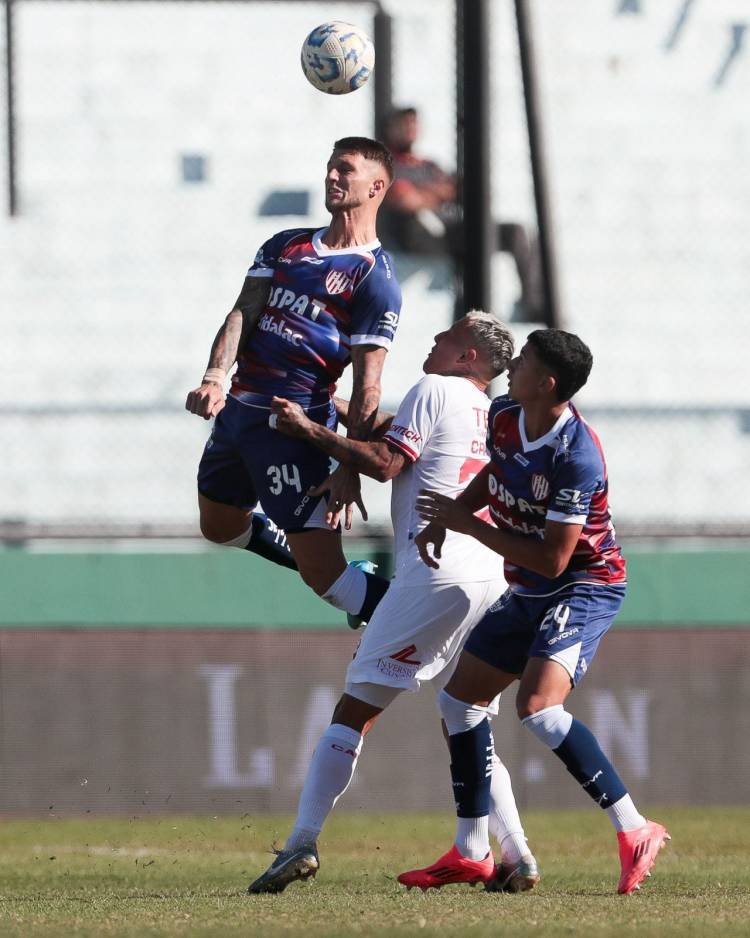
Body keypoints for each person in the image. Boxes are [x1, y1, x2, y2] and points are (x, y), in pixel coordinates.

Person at [247, 312, 540, 895]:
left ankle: (302, 843)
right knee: (468, 719)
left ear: (470, 358)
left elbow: (386, 463)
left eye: (449, 336)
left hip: (438, 573)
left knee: (354, 710)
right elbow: (391, 440)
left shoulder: (436, 388)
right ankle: (518, 856)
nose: (434, 340)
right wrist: (343, 431)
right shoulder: (499, 414)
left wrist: (311, 430)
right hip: (492, 576)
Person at [398, 329, 670, 895]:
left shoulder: (577, 455)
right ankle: (472, 851)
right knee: (459, 701)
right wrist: (451, 515)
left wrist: (468, 524)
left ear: (545, 383)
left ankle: (635, 828)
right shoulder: (504, 415)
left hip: (583, 584)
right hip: (530, 589)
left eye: (520, 361)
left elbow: (553, 559)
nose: (511, 366)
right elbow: (498, 475)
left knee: (539, 707)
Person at [185, 137, 401, 624]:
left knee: (328, 582)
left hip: (294, 429)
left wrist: (348, 466)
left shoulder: (375, 278)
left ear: (376, 187)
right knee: (218, 525)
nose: (332, 176)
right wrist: (216, 376)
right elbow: (244, 310)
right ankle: (305, 552)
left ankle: (422, 622)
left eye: (345, 170)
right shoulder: (286, 245)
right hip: (239, 412)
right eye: (330, 167)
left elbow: (369, 385)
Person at [378, 106, 544, 322]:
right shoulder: (386, 164)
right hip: (419, 236)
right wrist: (437, 193)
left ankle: (532, 303)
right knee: (424, 221)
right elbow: (404, 199)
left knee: (516, 232)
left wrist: (427, 193)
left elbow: (457, 189)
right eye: (403, 125)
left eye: (413, 124)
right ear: (390, 129)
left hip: (452, 230)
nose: (410, 130)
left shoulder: (428, 165)